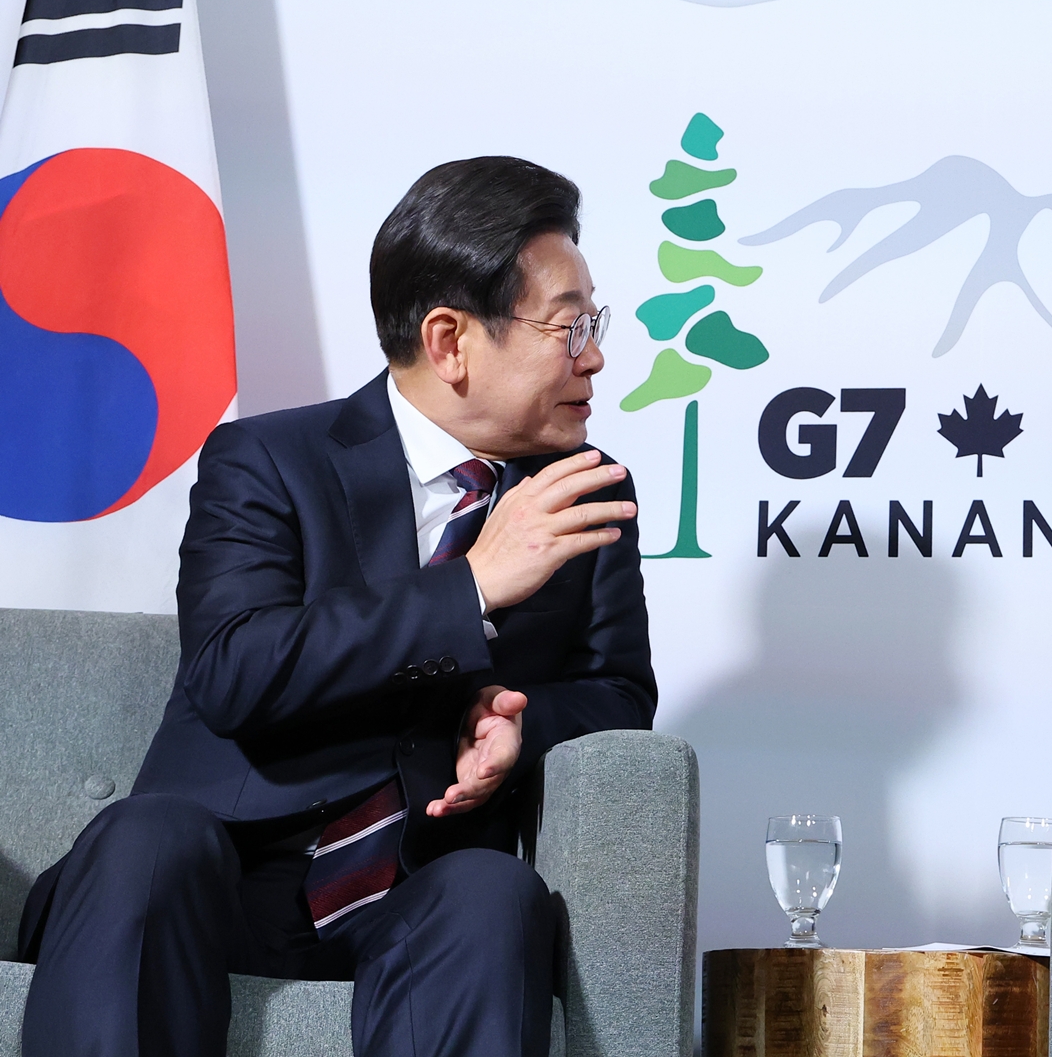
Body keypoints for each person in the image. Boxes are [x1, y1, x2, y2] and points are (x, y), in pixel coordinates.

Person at [16, 156, 656, 1057]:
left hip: (419, 888)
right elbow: (235, 670)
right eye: (568, 326)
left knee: (493, 894)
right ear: (449, 340)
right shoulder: (268, 461)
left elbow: (619, 692)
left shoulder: (583, 494)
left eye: (594, 323)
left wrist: (518, 728)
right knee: (143, 838)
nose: (594, 354)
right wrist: (470, 587)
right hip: (215, 873)